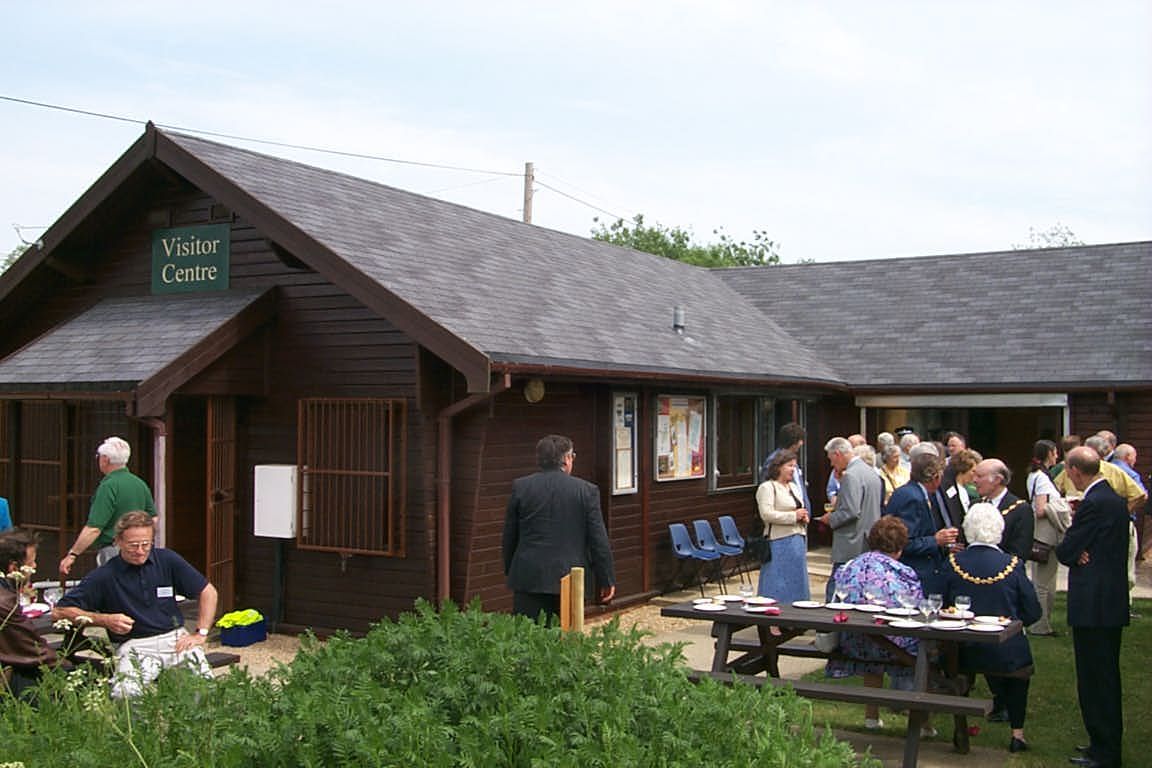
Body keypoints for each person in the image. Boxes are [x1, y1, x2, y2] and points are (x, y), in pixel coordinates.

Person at [52, 511, 216, 699]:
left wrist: (201, 633)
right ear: (118, 542)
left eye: (146, 544)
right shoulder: (105, 575)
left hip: (175, 638)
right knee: (125, 694)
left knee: (206, 689)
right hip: (135, 645)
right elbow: (59, 612)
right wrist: (104, 620)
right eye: (133, 545)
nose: (140, 551)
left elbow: (208, 592)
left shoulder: (167, 560)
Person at [942, 503, 1041, 754]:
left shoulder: (953, 563)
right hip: (1006, 650)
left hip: (963, 648)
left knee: (957, 671)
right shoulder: (1012, 564)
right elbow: (1033, 611)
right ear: (999, 530)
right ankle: (1017, 734)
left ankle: (960, 728)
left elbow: (939, 604)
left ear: (968, 529)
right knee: (1019, 668)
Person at [1056, 446, 1130, 768]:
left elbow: (1066, 549)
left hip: (1094, 604)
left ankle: (1105, 751)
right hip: (1109, 601)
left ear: (1075, 471)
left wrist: (1075, 551)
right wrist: (1079, 550)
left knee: (1095, 679)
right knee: (1104, 676)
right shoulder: (1113, 498)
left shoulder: (1094, 503)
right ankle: (1102, 742)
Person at [502, 435, 615, 622]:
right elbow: (598, 539)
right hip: (570, 577)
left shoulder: (521, 487)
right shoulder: (586, 491)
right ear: (567, 458)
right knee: (566, 635)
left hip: (528, 575)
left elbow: (510, 535)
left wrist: (511, 568)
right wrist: (606, 578)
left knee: (528, 634)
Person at [826, 516, 922, 731]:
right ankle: (924, 724)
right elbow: (916, 611)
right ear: (900, 547)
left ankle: (871, 718)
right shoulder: (904, 573)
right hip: (894, 646)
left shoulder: (850, 566)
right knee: (926, 652)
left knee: (872, 645)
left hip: (854, 642)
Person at [60, 436, 156, 575]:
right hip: (141, 550)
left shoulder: (108, 486)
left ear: (105, 459)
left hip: (114, 549)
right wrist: (143, 543)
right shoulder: (140, 484)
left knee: (113, 585)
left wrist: (73, 554)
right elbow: (153, 518)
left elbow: (94, 528)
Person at [884, 453, 960, 595]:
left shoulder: (910, 492)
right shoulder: (913, 498)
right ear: (935, 477)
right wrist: (936, 540)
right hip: (915, 575)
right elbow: (903, 543)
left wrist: (945, 546)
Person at [818, 437, 883, 600]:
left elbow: (851, 511)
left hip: (852, 541)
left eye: (831, 460)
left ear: (838, 454)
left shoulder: (851, 475)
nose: (832, 464)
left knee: (837, 587)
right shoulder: (870, 472)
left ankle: (830, 615)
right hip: (868, 537)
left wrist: (830, 519)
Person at [0, 528, 58, 701]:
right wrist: (66, 667)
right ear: (13, 567)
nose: (35, 567)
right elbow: (33, 648)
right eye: (31, 562)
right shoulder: (5, 602)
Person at [1026, 439, 1071, 636]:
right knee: (1043, 583)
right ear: (1049, 454)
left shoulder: (1039, 476)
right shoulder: (1041, 478)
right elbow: (1040, 509)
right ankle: (1039, 625)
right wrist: (1063, 506)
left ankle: (1044, 622)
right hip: (1045, 535)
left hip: (1046, 534)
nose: (1057, 456)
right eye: (1055, 452)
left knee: (1047, 581)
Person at [754, 449, 810, 602]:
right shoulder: (768, 487)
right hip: (778, 541)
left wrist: (803, 516)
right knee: (777, 581)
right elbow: (766, 514)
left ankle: (796, 611)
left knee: (797, 580)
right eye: (789, 466)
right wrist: (793, 516)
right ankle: (773, 612)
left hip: (797, 540)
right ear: (779, 467)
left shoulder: (793, 487)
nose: (793, 470)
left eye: (794, 466)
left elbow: (798, 507)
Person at [972, 459, 1034, 561]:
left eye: (979, 476)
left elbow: (1021, 551)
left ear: (997, 480)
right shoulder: (975, 505)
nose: (974, 480)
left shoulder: (1020, 509)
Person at [760, 422, 810, 511]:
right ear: (794, 441)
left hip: (800, 513)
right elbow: (768, 490)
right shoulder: (774, 460)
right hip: (786, 513)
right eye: (800, 440)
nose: (802, 443)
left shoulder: (792, 459)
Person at [940, 448, 982, 535]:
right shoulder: (948, 488)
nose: (975, 476)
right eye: (973, 471)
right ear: (964, 468)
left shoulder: (966, 490)